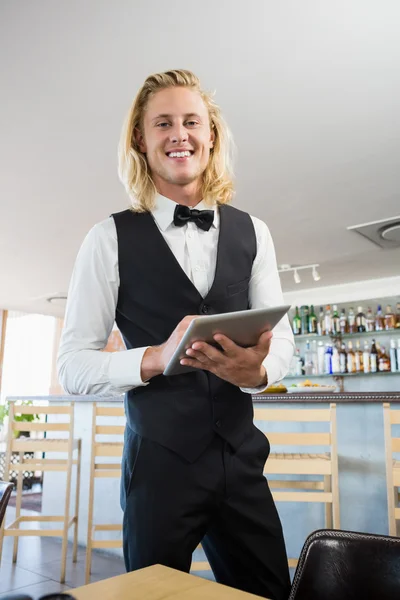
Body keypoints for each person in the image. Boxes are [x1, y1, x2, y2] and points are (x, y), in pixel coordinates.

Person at [58, 69, 295, 600]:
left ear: (211, 134)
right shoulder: (106, 239)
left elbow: (283, 343)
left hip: (240, 457)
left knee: (269, 593)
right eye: (162, 123)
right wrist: (154, 357)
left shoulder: (254, 231)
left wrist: (257, 371)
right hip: (159, 466)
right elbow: (72, 365)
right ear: (141, 141)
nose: (178, 134)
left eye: (191, 121)